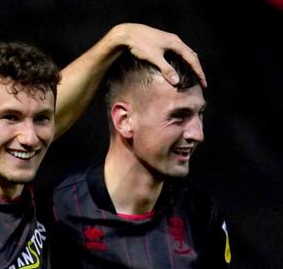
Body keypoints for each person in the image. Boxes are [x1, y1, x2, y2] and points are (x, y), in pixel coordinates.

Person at [0, 23, 207, 269]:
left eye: (42, 119)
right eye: (10, 118)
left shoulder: (24, 202)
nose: (29, 138)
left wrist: (118, 39)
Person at [51, 50, 231, 268]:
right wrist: (117, 37)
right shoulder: (55, 211)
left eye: (199, 114)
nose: (197, 133)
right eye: (179, 116)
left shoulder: (200, 215)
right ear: (124, 120)